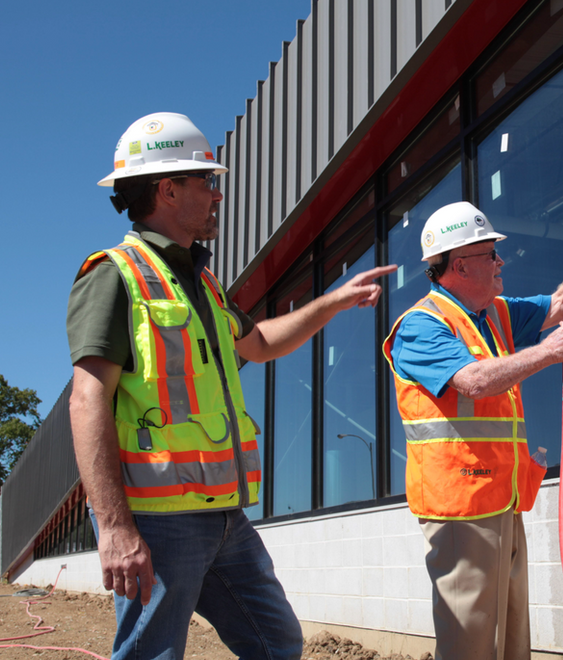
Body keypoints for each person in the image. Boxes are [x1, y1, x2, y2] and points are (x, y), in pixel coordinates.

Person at [67, 112, 396, 660]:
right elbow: (87, 398)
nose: (218, 196)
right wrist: (117, 528)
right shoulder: (115, 275)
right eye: (208, 183)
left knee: (276, 642)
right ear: (168, 190)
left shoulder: (203, 285)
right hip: (160, 520)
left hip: (224, 514)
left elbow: (260, 342)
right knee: (154, 653)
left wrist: (334, 300)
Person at [382, 201, 563, 660]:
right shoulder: (420, 325)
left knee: (512, 645)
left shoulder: (493, 313)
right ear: (459, 265)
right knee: (471, 648)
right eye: (490, 255)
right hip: (460, 514)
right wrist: (547, 353)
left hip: (502, 504)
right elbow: (474, 381)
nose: (501, 262)